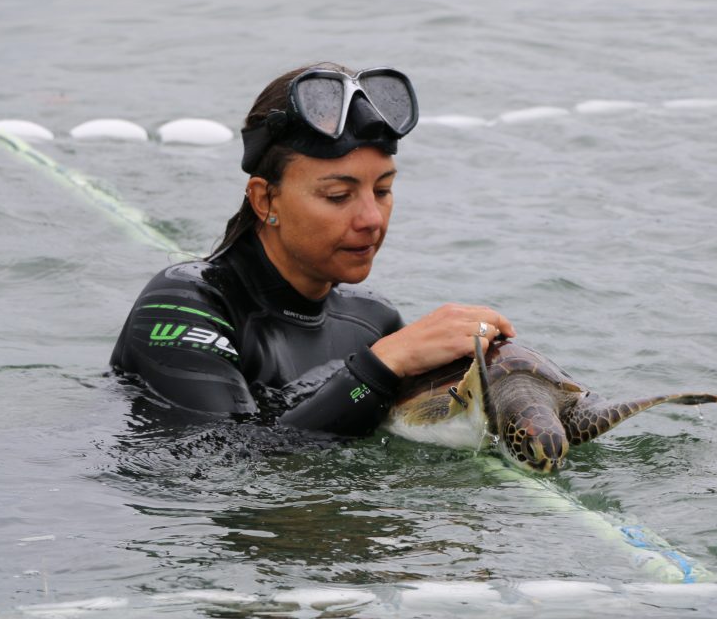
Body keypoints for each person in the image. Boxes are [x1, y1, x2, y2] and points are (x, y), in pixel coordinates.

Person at [110, 62, 515, 436]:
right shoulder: (185, 305)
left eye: (383, 190)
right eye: (338, 196)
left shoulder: (374, 322)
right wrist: (382, 366)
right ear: (265, 201)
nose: (371, 218)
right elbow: (226, 458)